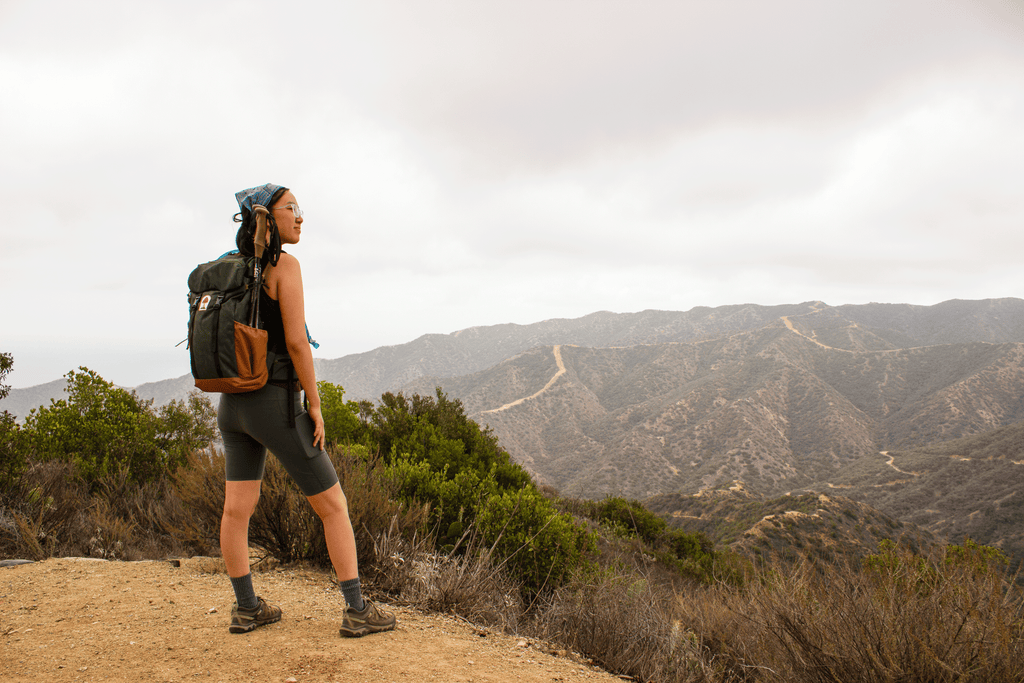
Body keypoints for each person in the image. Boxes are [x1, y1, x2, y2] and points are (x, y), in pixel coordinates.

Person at [216, 183, 395, 637]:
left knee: (237, 509)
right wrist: (314, 403)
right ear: (265, 217)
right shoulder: (284, 266)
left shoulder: (230, 268)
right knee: (333, 505)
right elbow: (296, 341)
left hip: (231, 406)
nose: (300, 217)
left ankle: (246, 608)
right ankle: (357, 611)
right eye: (291, 208)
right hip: (274, 403)